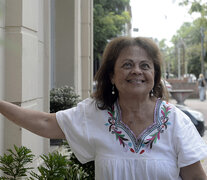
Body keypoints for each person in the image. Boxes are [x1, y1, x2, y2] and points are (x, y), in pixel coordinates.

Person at [0, 36, 207, 180]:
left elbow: (196, 177)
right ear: (111, 76)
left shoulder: (175, 121)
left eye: (145, 65)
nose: (136, 71)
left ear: (155, 76)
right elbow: (45, 123)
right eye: (127, 65)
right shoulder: (95, 113)